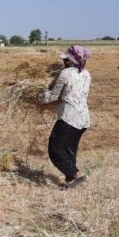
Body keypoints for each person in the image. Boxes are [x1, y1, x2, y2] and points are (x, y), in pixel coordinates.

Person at [40, 45, 92, 188]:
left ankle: (76, 174)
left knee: (55, 149)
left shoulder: (66, 73)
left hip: (69, 117)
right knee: (69, 149)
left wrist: (40, 96)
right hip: (84, 119)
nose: (64, 62)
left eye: (66, 60)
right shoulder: (86, 74)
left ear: (70, 61)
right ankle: (71, 178)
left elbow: (53, 96)